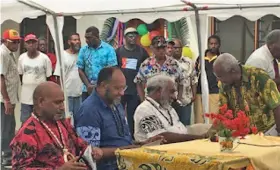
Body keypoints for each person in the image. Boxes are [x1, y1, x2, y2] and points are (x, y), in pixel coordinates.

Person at [74, 67, 164, 170]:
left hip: (127, 162)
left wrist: (143, 143)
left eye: (123, 88)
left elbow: (121, 140)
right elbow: (89, 154)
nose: (122, 93)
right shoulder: (89, 111)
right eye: (117, 88)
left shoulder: (115, 102)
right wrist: (125, 150)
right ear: (103, 86)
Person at [10, 82, 103, 169]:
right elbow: (19, 168)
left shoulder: (62, 123)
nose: (62, 107)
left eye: (62, 102)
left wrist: (92, 150)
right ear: (41, 102)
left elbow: (79, 143)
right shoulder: (27, 134)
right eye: (57, 102)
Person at [214, 53, 280, 135]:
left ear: (233, 71)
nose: (217, 79)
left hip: (267, 131)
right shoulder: (224, 85)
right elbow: (223, 112)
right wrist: (211, 132)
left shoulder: (259, 76)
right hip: (242, 134)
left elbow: (276, 106)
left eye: (220, 76)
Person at [134, 74, 208, 142]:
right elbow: (161, 137)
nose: (174, 97)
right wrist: (199, 138)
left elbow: (180, 131)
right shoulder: (144, 109)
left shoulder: (168, 108)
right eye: (171, 92)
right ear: (159, 91)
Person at [116, 27, 149, 136]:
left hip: (135, 89)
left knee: (132, 114)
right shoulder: (119, 51)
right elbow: (116, 68)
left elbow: (147, 67)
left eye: (135, 36)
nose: (133, 38)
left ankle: (132, 135)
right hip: (121, 89)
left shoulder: (142, 51)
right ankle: (120, 134)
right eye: (130, 36)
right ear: (125, 38)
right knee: (119, 113)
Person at [134, 36, 184, 103]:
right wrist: (143, 100)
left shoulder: (173, 63)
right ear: (152, 48)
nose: (161, 51)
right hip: (151, 104)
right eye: (158, 48)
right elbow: (138, 82)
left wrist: (178, 99)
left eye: (163, 48)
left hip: (170, 103)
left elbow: (181, 82)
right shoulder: (146, 64)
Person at [77, 26, 118, 101]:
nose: (86, 40)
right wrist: (88, 85)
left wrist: (100, 85)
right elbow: (80, 69)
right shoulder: (83, 50)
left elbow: (112, 70)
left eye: (89, 38)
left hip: (104, 90)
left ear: (97, 37)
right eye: (86, 38)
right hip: (87, 90)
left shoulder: (109, 49)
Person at [18, 34, 52, 123]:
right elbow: (20, 75)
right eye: (28, 42)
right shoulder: (21, 58)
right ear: (25, 45)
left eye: (33, 42)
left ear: (37, 44)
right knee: (25, 122)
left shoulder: (45, 58)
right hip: (26, 97)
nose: (31, 45)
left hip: (40, 98)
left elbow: (48, 78)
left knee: (40, 122)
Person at [0, 29, 21, 167]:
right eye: (14, 42)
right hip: (5, 100)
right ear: (5, 42)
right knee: (6, 128)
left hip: (11, 98)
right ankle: (6, 156)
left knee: (10, 126)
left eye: (18, 41)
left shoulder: (10, 53)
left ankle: (9, 153)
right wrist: (6, 100)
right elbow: (1, 78)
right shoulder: (2, 54)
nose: (17, 44)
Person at [194, 35, 222, 124]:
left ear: (219, 45)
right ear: (208, 45)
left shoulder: (221, 58)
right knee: (199, 119)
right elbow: (194, 75)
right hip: (200, 92)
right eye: (211, 44)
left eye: (215, 44)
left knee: (213, 119)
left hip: (215, 92)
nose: (213, 46)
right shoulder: (200, 58)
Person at [54, 33, 82, 116]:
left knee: (79, 119)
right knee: (66, 119)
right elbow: (58, 76)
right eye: (74, 40)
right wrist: (60, 93)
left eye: (78, 39)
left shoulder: (82, 55)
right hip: (66, 94)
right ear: (69, 42)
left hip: (79, 94)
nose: (77, 42)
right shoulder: (63, 55)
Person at [172, 38, 198, 125]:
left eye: (177, 47)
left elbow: (193, 78)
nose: (176, 49)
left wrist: (194, 94)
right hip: (171, 100)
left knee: (186, 124)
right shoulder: (168, 63)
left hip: (186, 99)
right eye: (173, 47)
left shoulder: (189, 62)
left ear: (181, 48)